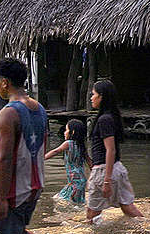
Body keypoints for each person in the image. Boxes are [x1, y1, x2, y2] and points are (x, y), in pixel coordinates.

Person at [0, 57, 48, 234]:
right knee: (19, 231)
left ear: (5, 83)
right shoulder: (39, 108)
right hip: (34, 185)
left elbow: (5, 158)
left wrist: (0, 199)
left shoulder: (8, 113)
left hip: (14, 190)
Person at [86, 79, 143, 220]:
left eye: (93, 94)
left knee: (91, 215)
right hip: (116, 168)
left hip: (105, 170)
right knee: (127, 207)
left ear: (102, 97)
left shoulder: (104, 120)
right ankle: (147, 226)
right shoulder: (111, 117)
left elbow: (110, 150)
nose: (91, 98)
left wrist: (106, 180)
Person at [45, 119, 88, 205]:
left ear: (73, 132)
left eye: (66, 130)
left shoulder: (68, 143)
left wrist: (42, 158)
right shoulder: (81, 146)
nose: (64, 132)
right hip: (81, 181)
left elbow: (56, 151)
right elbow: (90, 162)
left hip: (74, 182)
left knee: (60, 199)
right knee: (77, 202)